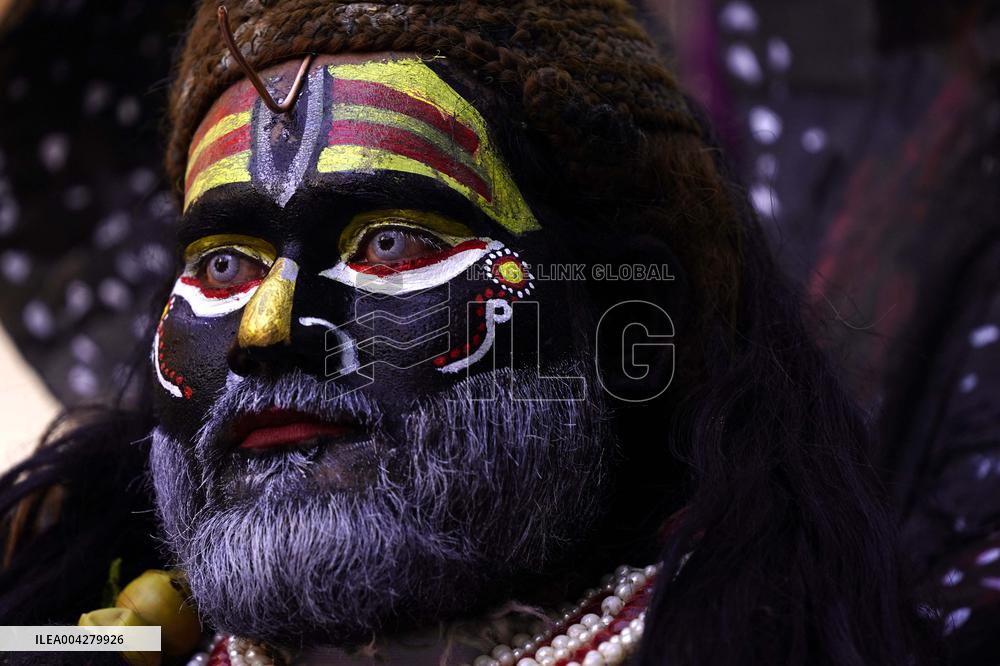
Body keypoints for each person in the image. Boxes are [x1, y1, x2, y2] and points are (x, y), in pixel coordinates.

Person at [0, 1, 937, 664]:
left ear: (615, 322)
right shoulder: (93, 638)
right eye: (220, 265)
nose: (267, 328)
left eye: (393, 242)